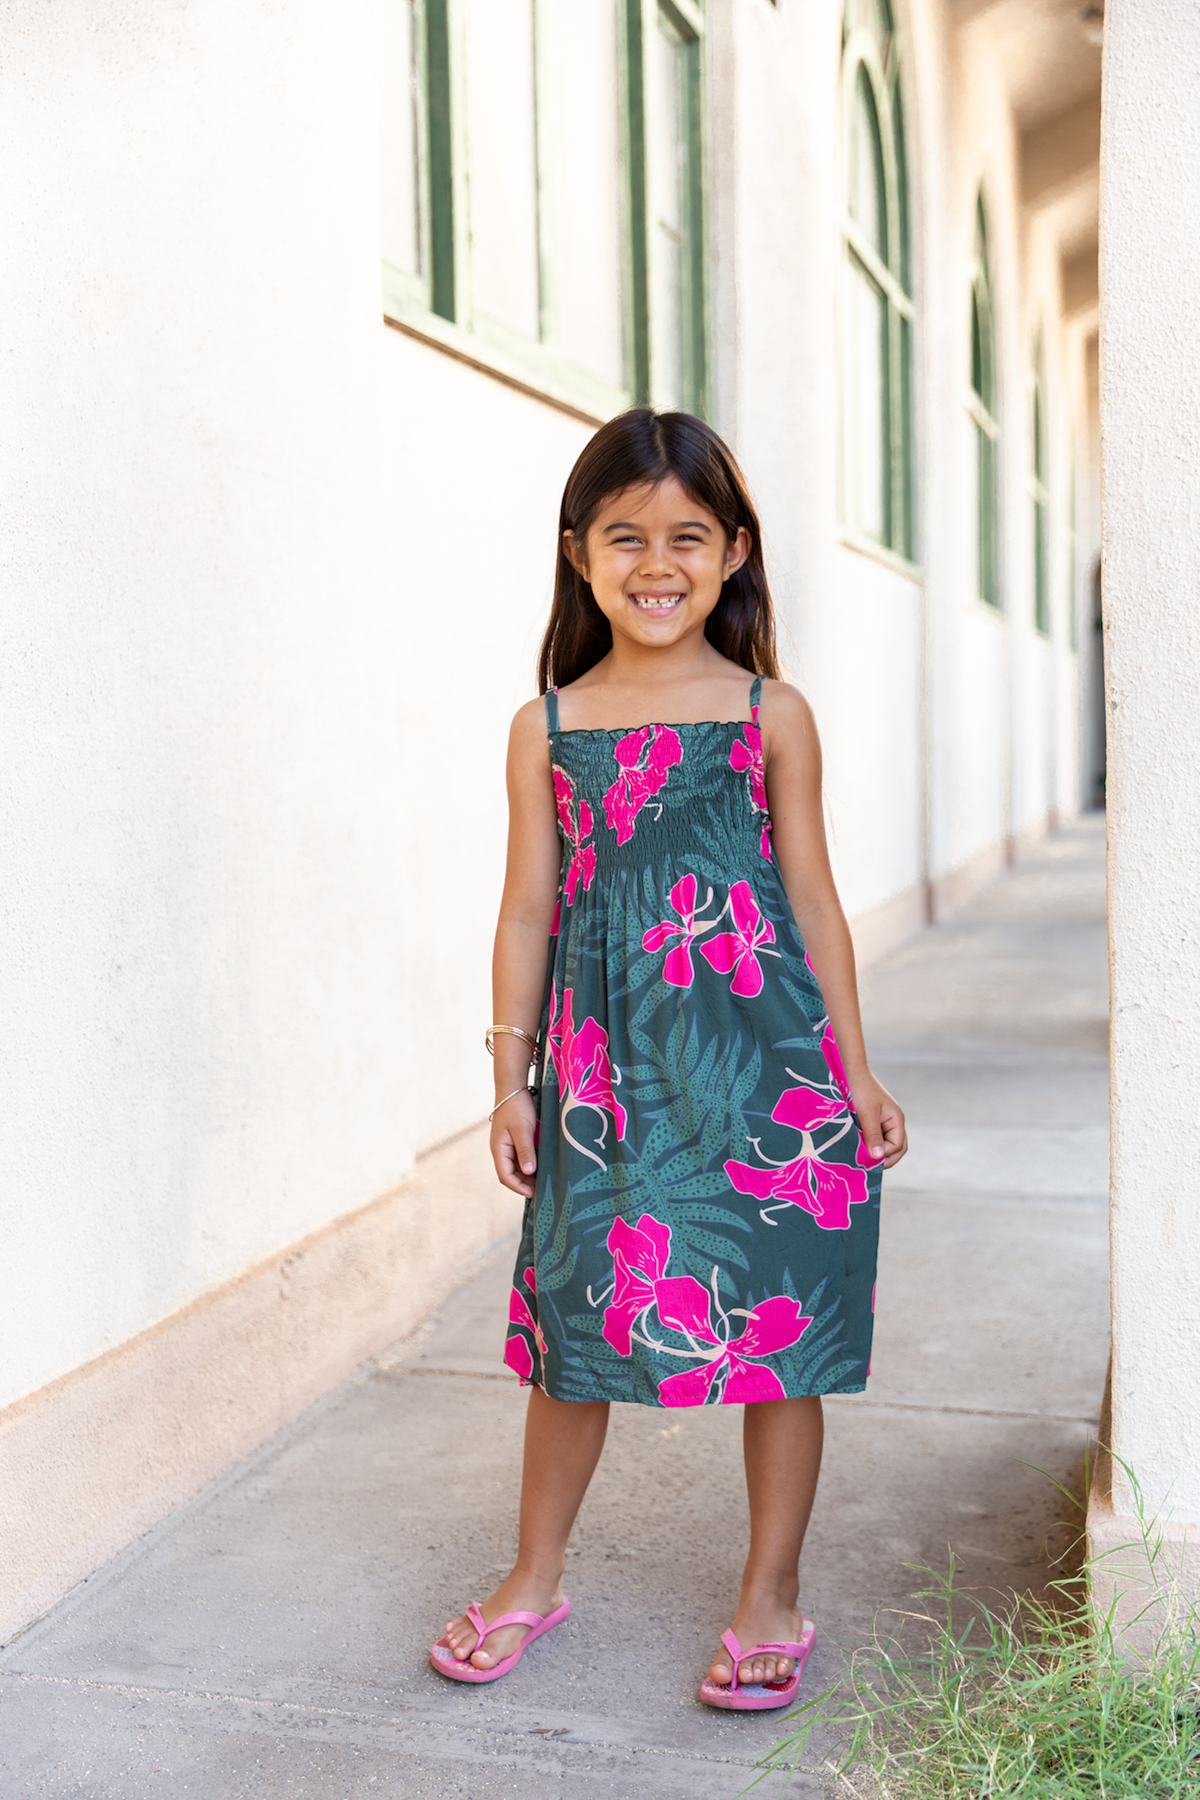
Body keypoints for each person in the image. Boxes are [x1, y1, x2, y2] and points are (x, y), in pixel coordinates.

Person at [430, 409, 907, 1709]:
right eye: (625, 535)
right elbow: (527, 906)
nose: (657, 561)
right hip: (602, 1082)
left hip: (770, 1072)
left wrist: (855, 1073)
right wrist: (506, 1077)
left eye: (687, 536)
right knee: (573, 1328)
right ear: (580, 553)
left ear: (734, 553)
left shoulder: (770, 715)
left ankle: (771, 1596)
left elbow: (812, 900)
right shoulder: (550, 727)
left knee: (781, 1332)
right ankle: (535, 1573)